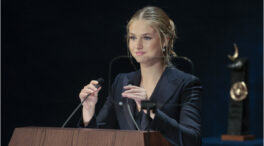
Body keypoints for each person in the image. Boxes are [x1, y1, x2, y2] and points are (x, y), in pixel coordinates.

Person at [79, 6, 202, 146]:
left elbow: (192, 141)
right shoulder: (121, 82)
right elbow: (99, 139)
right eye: (133, 37)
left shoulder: (187, 84)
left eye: (147, 38)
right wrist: (88, 111)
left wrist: (150, 107)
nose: (137, 45)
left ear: (165, 40)